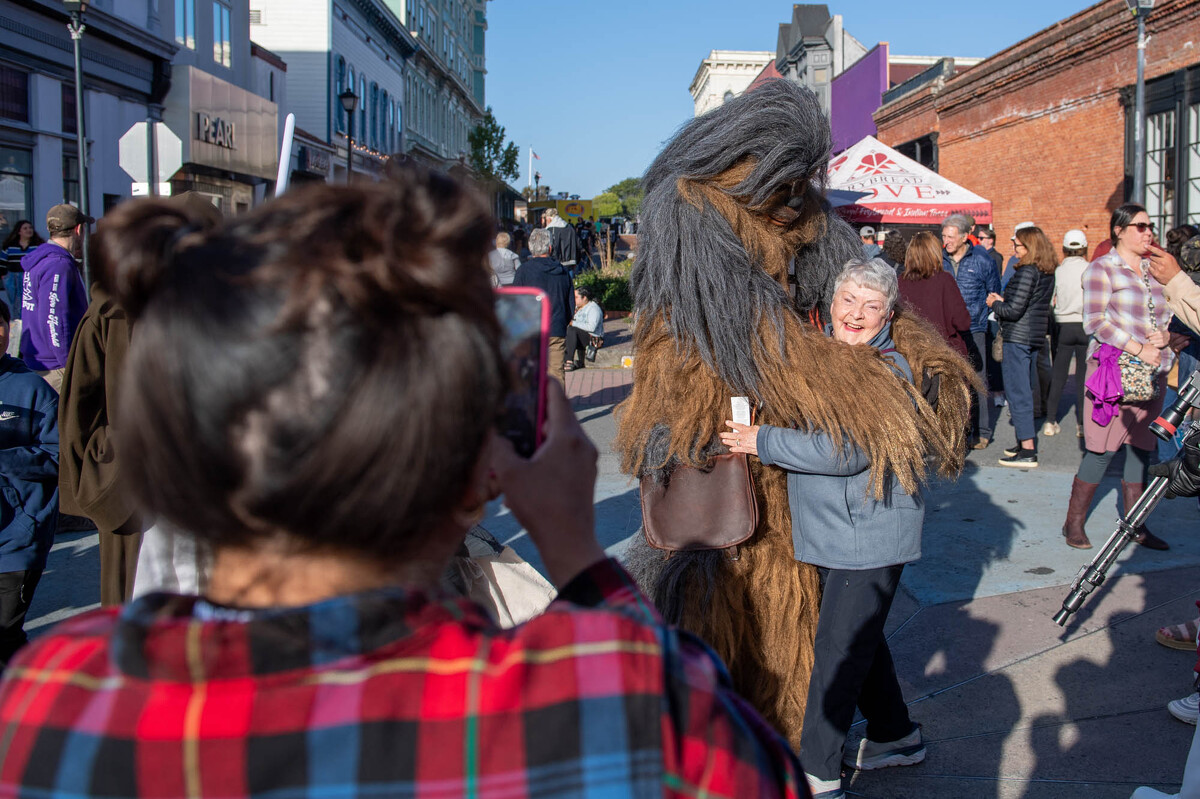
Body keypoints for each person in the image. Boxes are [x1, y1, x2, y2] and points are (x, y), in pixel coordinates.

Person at [0, 172, 812, 799]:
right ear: (473, 477)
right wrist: (574, 547)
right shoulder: (611, 707)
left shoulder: (55, 692)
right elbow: (754, 770)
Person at [722, 260, 930, 798]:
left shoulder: (884, 370)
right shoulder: (832, 359)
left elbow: (847, 453)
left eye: (871, 305)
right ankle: (896, 736)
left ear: (887, 314)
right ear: (832, 304)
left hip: (869, 537)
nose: (856, 314)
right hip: (842, 535)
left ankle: (817, 770)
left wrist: (761, 440)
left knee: (836, 654)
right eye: (849, 301)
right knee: (858, 640)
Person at [1062, 203, 1172, 551]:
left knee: (1142, 449)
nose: (1148, 232)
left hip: (1153, 371)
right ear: (1119, 230)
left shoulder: (1156, 270)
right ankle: (1073, 523)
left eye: (1150, 226)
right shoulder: (1101, 269)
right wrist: (1139, 348)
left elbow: (1170, 316)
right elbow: (1094, 322)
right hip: (1111, 372)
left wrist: (1165, 337)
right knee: (1101, 451)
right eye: (1140, 226)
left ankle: (1135, 525)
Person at [0, 300, 58, 667]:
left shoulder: (31, 390)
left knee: (4, 636)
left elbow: (60, 457)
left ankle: (32, 712)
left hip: (15, 542)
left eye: (0, 324)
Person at [986, 226, 1056, 467]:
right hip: (1033, 334)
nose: (1014, 250)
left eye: (1018, 245)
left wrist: (995, 303)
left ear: (1029, 247)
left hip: (1018, 337)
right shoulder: (1046, 271)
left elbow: (1013, 310)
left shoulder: (1027, 271)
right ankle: (1023, 443)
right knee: (1024, 390)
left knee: (1018, 393)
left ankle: (1027, 450)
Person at [943, 213, 1001, 449]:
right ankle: (959, 432)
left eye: (950, 236)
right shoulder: (940, 259)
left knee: (977, 379)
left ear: (965, 237)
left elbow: (994, 291)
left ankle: (982, 431)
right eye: (944, 235)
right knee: (953, 381)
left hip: (975, 326)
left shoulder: (982, 260)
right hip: (947, 328)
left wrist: (983, 316)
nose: (946, 240)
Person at [19, 204, 91, 393]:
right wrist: (70, 365)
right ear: (78, 229)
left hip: (40, 360)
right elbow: (54, 319)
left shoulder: (41, 259)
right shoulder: (58, 265)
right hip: (55, 367)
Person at [1043, 229, 1091, 438]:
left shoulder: (1059, 271)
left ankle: (1050, 421)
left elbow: (1051, 301)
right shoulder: (1090, 269)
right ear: (1084, 248)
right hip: (1085, 325)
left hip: (1063, 326)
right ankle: (1082, 424)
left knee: (1059, 375)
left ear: (1064, 249)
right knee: (1083, 378)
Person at [511, 228, 573, 385]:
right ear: (550, 248)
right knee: (557, 373)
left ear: (531, 248)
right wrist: (561, 322)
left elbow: (516, 303)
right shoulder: (563, 272)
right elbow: (570, 304)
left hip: (531, 330)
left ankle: (534, 406)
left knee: (531, 373)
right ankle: (555, 407)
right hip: (556, 328)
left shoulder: (523, 271)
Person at [898, 231, 970, 357]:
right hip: (942, 353)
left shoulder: (900, 282)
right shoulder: (944, 280)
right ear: (935, 253)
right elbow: (963, 322)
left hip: (909, 352)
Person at [1, 219, 43, 324]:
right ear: (19, 231)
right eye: (25, 228)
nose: (29, 230)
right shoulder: (10, 246)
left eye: (30, 228)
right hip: (12, 277)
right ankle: (18, 324)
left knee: (30, 302)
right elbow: (2, 262)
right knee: (16, 303)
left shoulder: (38, 246)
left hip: (30, 276)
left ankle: (29, 323)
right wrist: (3, 275)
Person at [563, 285, 603, 371]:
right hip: (581, 336)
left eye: (576, 297)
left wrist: (573, 323)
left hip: (593, 338)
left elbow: (591, 327)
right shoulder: (580, 308)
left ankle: (569, 360)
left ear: (584, 297)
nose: (574, 300)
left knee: (571, 329)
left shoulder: (593, 308)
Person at [543, 207, 580, 276]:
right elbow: (577, 244)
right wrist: (575, 260)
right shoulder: (569, 228)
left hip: (554, 264)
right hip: (570, 263)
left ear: (549, 218)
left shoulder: (550, 230)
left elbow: (550, 247)